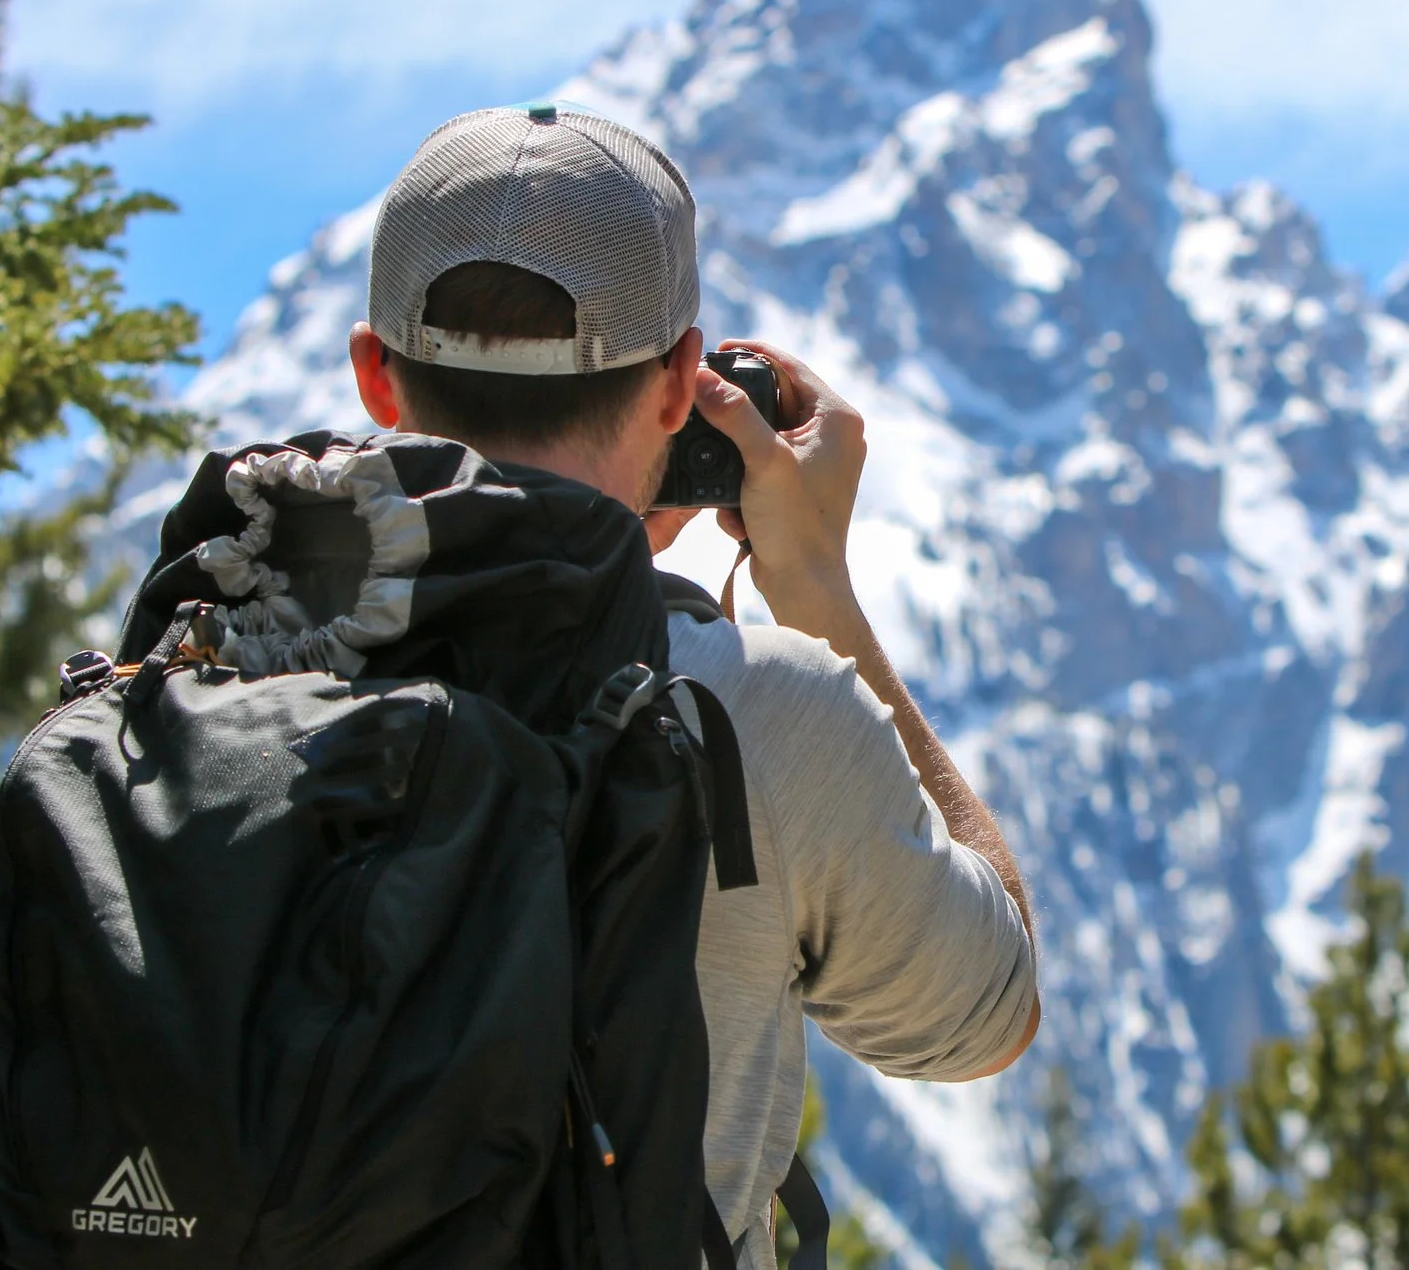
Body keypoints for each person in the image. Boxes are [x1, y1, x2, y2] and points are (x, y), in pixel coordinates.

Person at [341, 103, 1041, 1261]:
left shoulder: (214, 661)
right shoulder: (753, 709)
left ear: (375, 373)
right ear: (680, 387)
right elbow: (987, 1012)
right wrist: (814, 586)